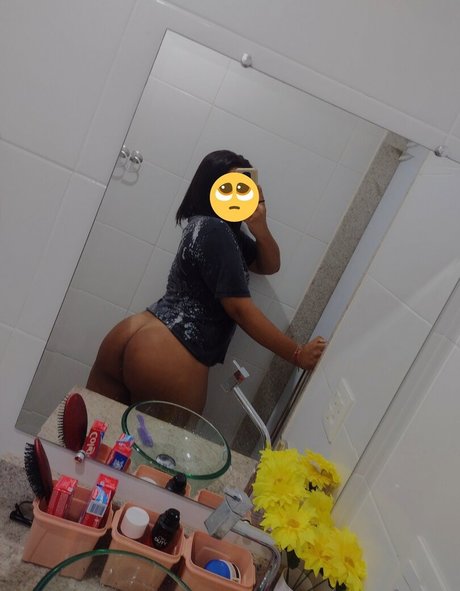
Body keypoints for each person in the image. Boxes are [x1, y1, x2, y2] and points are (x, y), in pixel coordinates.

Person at [86, 150, 327, 413]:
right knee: (161, 441)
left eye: (243, 188)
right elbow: (240, 310)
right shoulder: (216, 232)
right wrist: (297, 354)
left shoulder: (206, 226)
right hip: (173, 350)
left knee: (93, 429)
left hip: (136, 330)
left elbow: (269, 265)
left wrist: (260, 227)